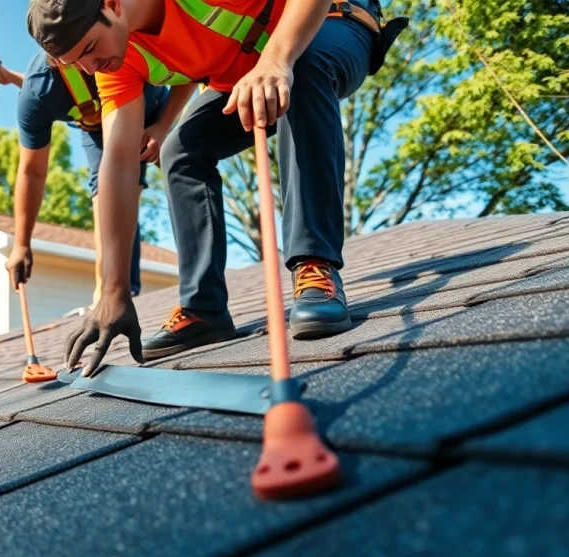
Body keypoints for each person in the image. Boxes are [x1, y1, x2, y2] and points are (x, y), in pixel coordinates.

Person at [27, 0, 406, 375]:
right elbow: (119, 162)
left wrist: (277, 59)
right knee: (180, 149)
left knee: (302, 67)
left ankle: (315, 268)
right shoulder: (117, 61)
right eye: (76, 63)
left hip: (329, 23)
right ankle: (204, 310)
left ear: (111, 4)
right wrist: (113, 292)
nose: (90, 69)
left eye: (91, 49)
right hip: (250, 73)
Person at [0, 43, 195, 304]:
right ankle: (110, 296)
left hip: (151, 106)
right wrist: (21, 244)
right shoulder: (35, 93)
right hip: (98, 129)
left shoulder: (94, 46)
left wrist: (161, 126)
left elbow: (185, 68)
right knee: (109, 198)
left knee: (182, 168)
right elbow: (31, 171)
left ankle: (201, 291)